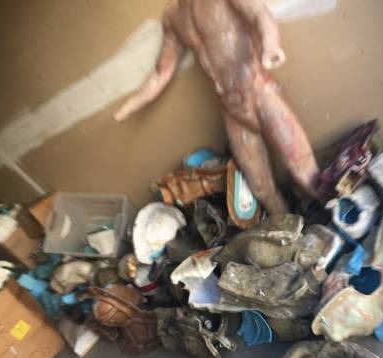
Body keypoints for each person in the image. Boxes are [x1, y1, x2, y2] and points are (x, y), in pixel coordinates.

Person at [114, 0, 320, 214]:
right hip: (232, 109)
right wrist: (128, 108)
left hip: (260, 91)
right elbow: (161, 72)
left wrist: (271, 46)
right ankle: (290, 229)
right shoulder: (173, 15)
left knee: (303, 169)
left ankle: (332, 212)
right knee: (261, 188)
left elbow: (259, 14)